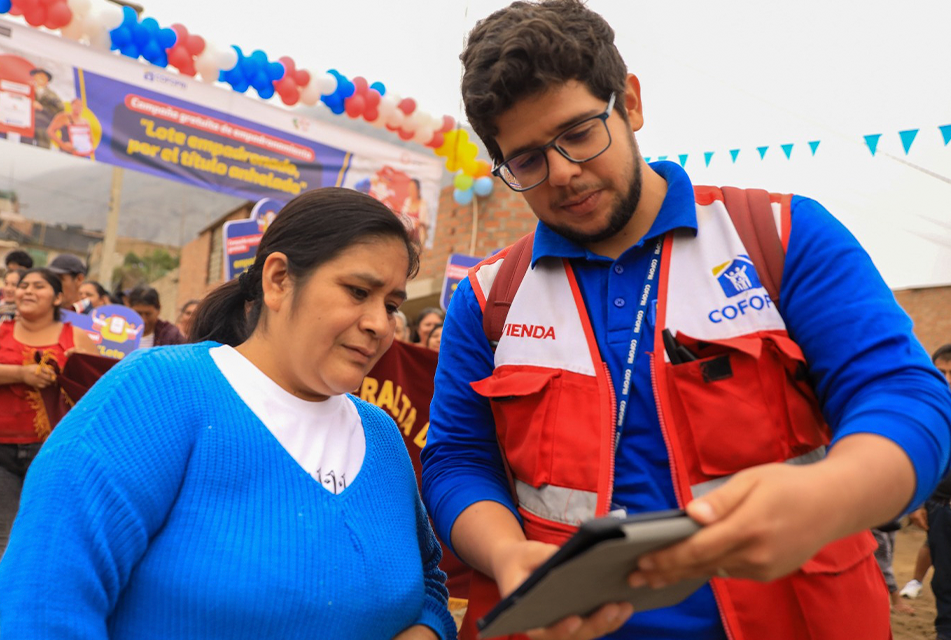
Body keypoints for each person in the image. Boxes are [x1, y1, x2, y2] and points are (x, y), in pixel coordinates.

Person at [419, 3, 951, 640]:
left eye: (581, 132)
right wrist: (505, 552)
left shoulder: (781, 237)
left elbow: (904, 395)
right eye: (527, 160)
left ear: (632, 103)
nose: (563, 172)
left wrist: (828, 498)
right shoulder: (488, 299)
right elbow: (456, 459)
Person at [0, 188, 457, 639]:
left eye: (392, 306)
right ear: (278, 280)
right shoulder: (157, 392)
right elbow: (41, 599)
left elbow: (429, 585)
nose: (380, 324)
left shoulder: (380, 435)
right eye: (358, 291)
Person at [0, 268, 95, 554]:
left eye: (38, 286)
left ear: (57, 298)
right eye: (23, 285)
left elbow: (99, 388)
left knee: (43, 532)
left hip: (55, 449)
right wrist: (21, 373)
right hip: (2, 450)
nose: (27, 291)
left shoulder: (76, 335)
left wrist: (75, 369)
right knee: (4, 535)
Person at [900, 345, 951, 638]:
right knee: (945, 581)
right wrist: (917, 502)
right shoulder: (928, 411)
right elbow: (917, 457)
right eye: (940, 371)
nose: (946, 378)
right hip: (941, 509)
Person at [25, 68, 63, 150]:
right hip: (27, 124)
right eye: (38, 76)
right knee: (25, 147)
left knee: (43, 149)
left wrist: (43, 108)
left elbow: (60, 110)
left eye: (42, 77)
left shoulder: (52, 95)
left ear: (47, 80)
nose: (40, 78)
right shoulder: (27, 89)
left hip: (44, 126)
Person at [402, 178, 431, 248]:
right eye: (410, 188)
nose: (411, 190)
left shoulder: (424, 204)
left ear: (418, 190)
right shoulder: (407, 201)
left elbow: (427, 224)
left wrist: (420, 223)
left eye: (413, 188)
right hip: (405, 237)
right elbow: (402, 217)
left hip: (417, 240)